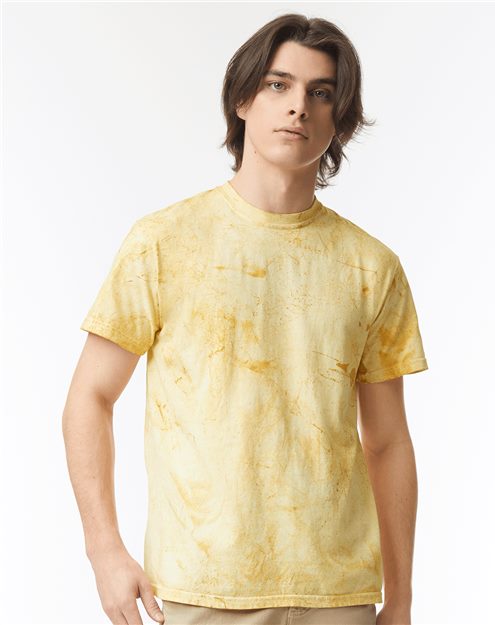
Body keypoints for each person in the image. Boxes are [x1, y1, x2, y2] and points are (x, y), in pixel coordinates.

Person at [62, 12, 428, 625]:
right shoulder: (164, 242)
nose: (299, 106)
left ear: (339, 118)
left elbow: (388, 441)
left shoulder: (372, 267)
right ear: (242, 100)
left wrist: (403, 598)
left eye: (321, 92)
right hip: (201, 589)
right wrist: (104, 551)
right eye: (278, 85)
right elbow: (89, 398)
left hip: (337, 596)